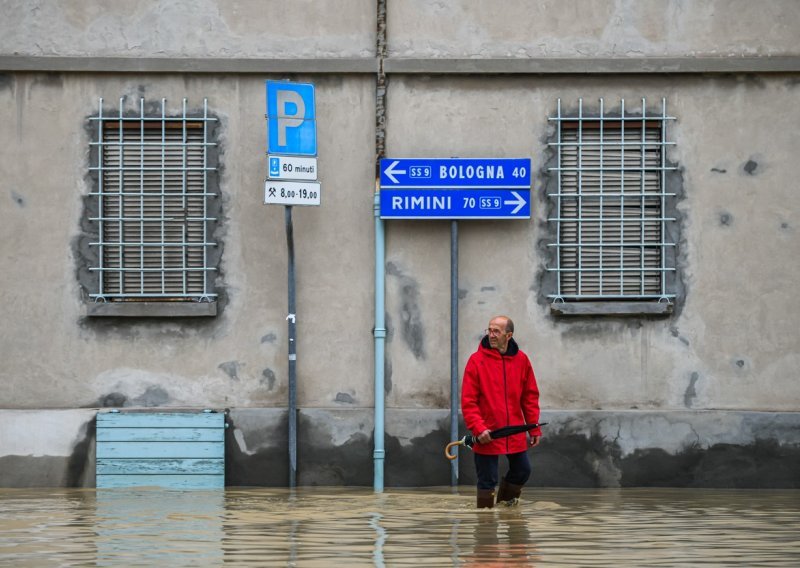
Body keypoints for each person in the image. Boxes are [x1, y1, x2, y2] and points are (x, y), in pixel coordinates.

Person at [461, 315, 542, 508]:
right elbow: (468, 401)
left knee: (522, 470)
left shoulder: (522, 360)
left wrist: (534, 428)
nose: (491, 335)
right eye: (489, 330)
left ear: (509, 335)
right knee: (487, 482)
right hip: (487, 433)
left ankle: (507, 510)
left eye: (496, 331)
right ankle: (485, 525)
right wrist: (479, 428)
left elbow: (529, 397)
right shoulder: (476, 361)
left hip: (513, 431)